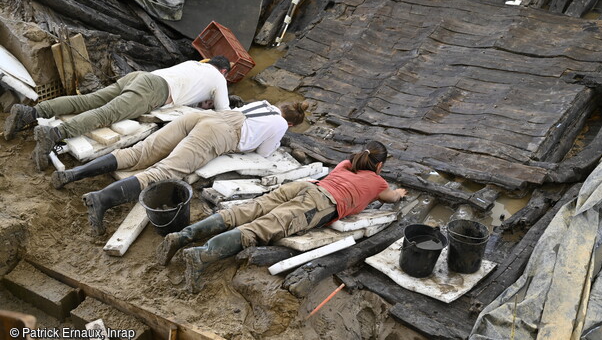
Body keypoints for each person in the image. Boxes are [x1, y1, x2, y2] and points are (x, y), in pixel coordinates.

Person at [156, 140, 407, 293]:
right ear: (379, 165)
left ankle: (182, 236)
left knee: (244, 211)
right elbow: (392, 197)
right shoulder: (377, 181)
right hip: (319, 203)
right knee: (259, 229)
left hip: (303, 186)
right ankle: (200, 256)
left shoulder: (345, 165)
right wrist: (399, 192)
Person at [51, 100, 309, 235]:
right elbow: (264, 152)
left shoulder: (264, 104)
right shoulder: (282, 125)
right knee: (164, 173)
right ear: (293, 123)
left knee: (138, 152)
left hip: (202, 118)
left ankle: (73, 174)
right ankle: (100, 199)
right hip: (217, 132)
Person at [3, 56, 232, 171]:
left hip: (141, 77)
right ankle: (54, 134)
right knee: (106, 114)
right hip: (154, 90)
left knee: (88, 100)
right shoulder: (219, 78)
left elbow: (189, 88)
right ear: (223, 71)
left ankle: (31, 112)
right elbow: (225, 112)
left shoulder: (195, 64)